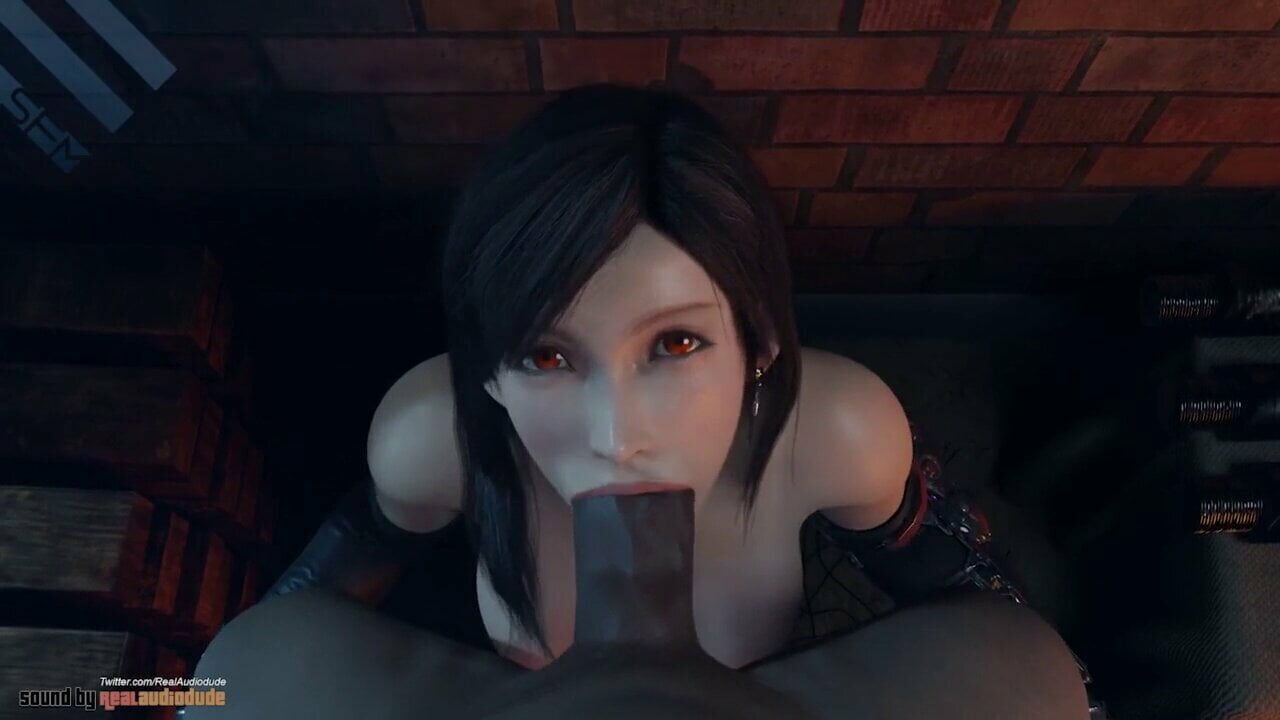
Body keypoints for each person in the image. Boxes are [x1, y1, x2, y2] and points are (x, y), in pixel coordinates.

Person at [187, 83, 1090, 718]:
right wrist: (149, 696)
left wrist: (1075, 697)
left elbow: (977, 608)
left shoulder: (839, 431)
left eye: (676, 345)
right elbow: (291, 625)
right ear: (488, 372)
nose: (617, 436)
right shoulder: (431, 437)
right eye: (547, 356)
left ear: (760, 342)